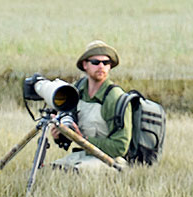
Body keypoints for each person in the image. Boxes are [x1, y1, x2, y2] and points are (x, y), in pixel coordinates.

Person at [51, 40, 132, 173]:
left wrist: (84, 139)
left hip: (110, 160)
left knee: (72, 173)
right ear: (85, 65)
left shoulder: (115, 98)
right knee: (48, 171)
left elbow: (120, 147)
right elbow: (71, 133)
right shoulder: (77, 91)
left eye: (106, 63)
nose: (101, 66)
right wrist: (60, 135)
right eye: (95, 62)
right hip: (83, 155)